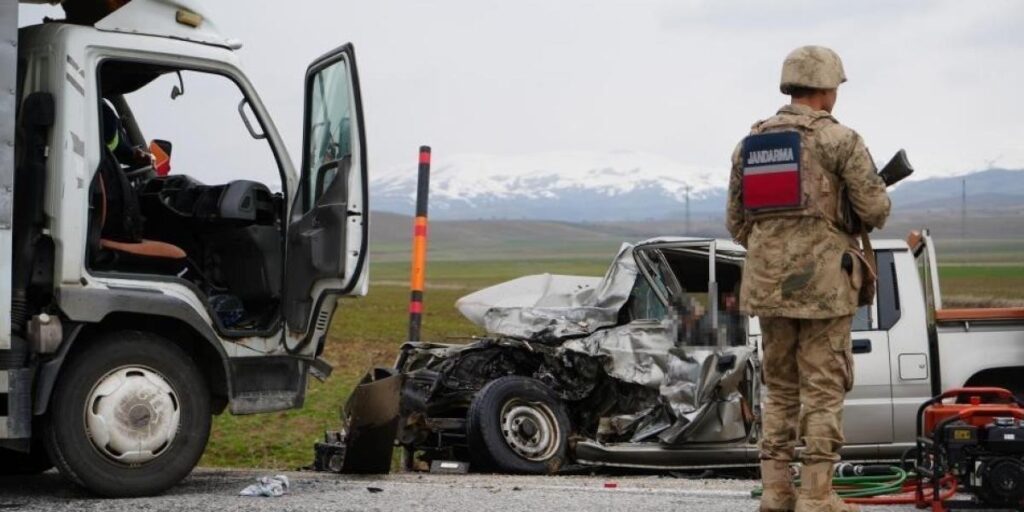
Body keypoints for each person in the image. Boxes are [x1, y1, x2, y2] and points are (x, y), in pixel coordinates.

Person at [725, 46, 891, 512]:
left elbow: (737, 223)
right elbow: (875, 210)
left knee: (778, 388)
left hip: (767, 286)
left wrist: (777, 249)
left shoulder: (751, 144)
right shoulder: (839, 140)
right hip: (823, 289)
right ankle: (817, 495)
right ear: (827, 88)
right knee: (822, 388)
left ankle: (777, 491)